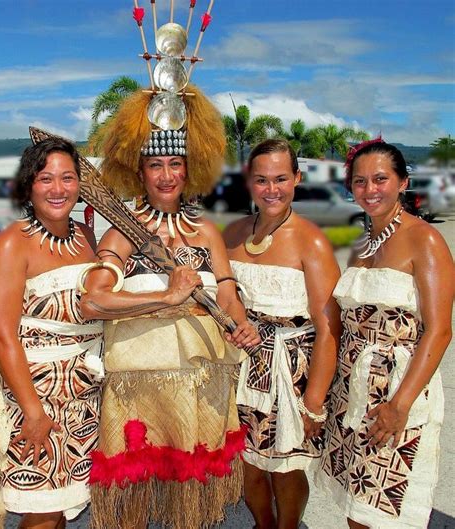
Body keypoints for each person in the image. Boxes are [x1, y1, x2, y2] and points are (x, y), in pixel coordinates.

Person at [79, 83, 260, 529]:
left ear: (188, 169)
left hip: (201, 379)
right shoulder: (122, 232)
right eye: (155, 165)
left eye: (174, 164)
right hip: (137, 385)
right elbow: (94, 301)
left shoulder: (206, 233)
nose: (165, 175)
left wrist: (242, 326)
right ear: (139, 172)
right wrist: (166, 297)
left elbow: (227, 295)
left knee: (188, 501)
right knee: (135, 495)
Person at [317, 139, 454, 529]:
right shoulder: (362, 243)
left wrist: (400, 406)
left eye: (380, 179)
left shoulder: (424, 239)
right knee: (357, 503)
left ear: (403, 183)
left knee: (387, 508)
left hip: (395, 391)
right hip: (351, 391)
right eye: (360, 182)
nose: (370, 189)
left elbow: (439, 330)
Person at [0, 137, 102, 529]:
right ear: (28, 185)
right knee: (42, 509)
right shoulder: (10, 244)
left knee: (62, 503)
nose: (58, 189)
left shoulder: (85, 239)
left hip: (83, 395)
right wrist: (33, 411)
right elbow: (1, 334)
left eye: (67, 178)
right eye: (46, 178)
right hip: (34, 394)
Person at [223, 139, 342, 529]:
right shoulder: (233, 233)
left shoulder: (313, 241)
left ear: (297, 179)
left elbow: (328, 329)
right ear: (249, 182)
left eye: (280, 179)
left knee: (286, 468)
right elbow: (224, 295)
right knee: (247, 464)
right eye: (261, 180)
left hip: (292, 373)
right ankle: (263, 524)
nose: (271, 189)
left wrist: (314, 400)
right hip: (240, 368)